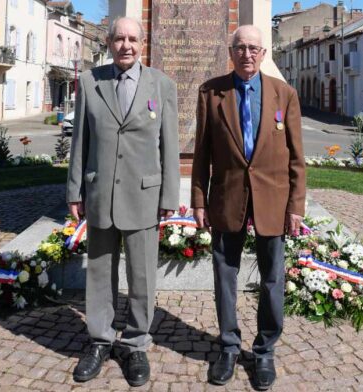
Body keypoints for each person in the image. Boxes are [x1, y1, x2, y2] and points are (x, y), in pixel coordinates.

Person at [66, 16, 179, 387]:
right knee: (100, 274)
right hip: (100, 194)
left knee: (142, 276)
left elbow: (169, 148)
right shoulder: (90, 81)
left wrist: (169, 196)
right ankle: (100, 340)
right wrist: (74, 192)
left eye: (132, 39)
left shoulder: (161, 85)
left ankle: (135, 344)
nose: (126, 45)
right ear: (110, 43)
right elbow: (80, 142)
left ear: (142, 44)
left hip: (144, 196)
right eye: (119, 39)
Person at [191, 25, 306, 390]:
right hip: (227, 198)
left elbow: (297, 159)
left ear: (264, 53)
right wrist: (199, 200)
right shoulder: (211, 92)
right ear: (231, 51)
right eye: (240, 47)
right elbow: (202, 153)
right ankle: (227, 347)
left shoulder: (284, 94)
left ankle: (264, 351)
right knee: (225, 275)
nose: (247, 54)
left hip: (273, 200)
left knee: (273, 278)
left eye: (254, 48)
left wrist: (296, 206)